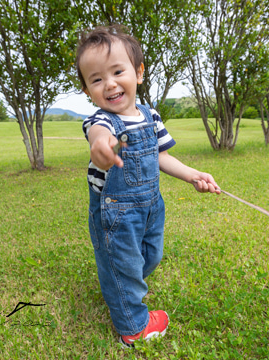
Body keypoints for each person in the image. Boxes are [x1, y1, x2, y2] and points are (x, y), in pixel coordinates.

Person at [76, 25, 220, 347]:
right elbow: (99, 138)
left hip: (151, 206)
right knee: (125, 263)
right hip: (115, 213)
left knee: (149, 257)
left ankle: (121, 285)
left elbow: (161, 157)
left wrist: (194, 175)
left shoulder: (149, 115)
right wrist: (102, 148)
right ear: (88, 90)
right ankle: (134, 327)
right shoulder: (101, 122)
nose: (109, 83)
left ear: (138, 73)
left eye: (117, 71)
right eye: (96, 79)